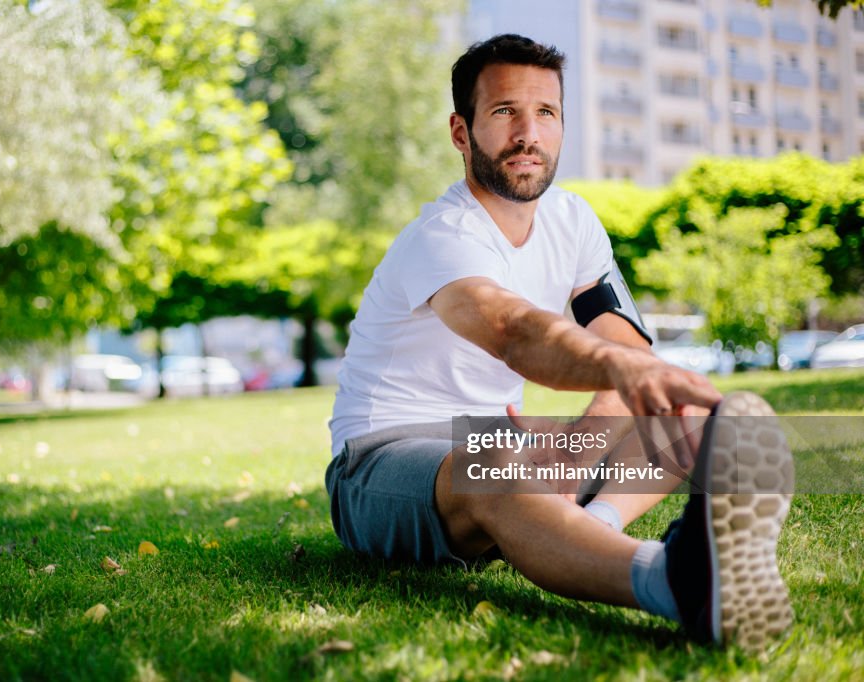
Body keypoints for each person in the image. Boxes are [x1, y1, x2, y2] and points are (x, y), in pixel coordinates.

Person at [326, 34, 793, 651]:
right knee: (497, 465)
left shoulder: (573, 221)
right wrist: (617, 374)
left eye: (546, 113)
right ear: (461, 133)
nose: (529, 134)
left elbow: (624, 344)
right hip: (382, 459)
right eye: (504, 113)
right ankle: (677, 583)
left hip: (499, 439)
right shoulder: (440, 237)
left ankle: (582, 530)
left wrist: (578, 451)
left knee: (691, 422)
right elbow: (511, 329)